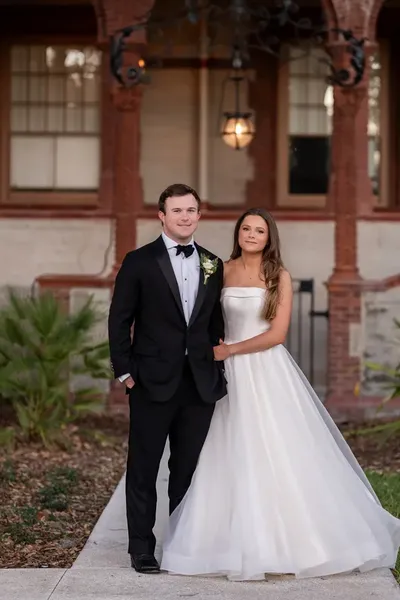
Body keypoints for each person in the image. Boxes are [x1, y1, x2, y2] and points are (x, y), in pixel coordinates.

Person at [161, 207, 400, 581]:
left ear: (269, 237)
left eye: (259, 230)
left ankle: (292, 544)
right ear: (237, 233)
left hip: (263, 367)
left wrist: (230, 351)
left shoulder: (279, 276)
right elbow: (204, 316)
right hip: (226, 373)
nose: (251, 235)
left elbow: (277, 334)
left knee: (275, 448)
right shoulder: (220, 268)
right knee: (226, 450)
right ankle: (221, 543)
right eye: (246, 229)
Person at [108, 183, 227, 574]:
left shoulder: (213, 263)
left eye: (191, 210)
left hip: (198, 385)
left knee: (188, 468)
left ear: (199, 214)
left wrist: (217, 369)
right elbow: (119, 319)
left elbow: (213, 326)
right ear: (162, 215)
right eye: (177, 210)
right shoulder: (139, 261)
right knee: (143, 467)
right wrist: (125, 372)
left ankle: (181, 541)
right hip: (150, 382)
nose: (185, 216)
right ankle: (141, 547)